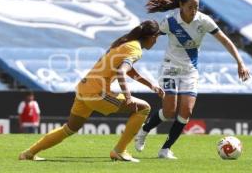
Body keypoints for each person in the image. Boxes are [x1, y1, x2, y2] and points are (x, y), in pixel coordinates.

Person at [19, 20, 164, 162]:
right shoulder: (135, 49)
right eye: (157, 38)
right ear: (152, 37)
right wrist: (128, 97)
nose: (156, 41)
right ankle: (119, 151)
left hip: (83, 88)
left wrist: (151, 85)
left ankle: (28, 153)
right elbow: (121, 71)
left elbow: (128, 71)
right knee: (144, 108)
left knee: (70, 128)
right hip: (97, 92)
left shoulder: (123, 44)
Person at [135, 0, 250, 159]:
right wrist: (133, 49)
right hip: (170, 68)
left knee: (186, 112)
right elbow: (150, 37)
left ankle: (165, 149)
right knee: (169, 111)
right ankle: (144, 131)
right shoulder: (170, 21)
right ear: (181, 5)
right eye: (190, 6)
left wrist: (240, 62)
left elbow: (225, 41)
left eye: (196, 6)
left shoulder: (204, 21)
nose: (194, 10)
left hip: (190, 71)